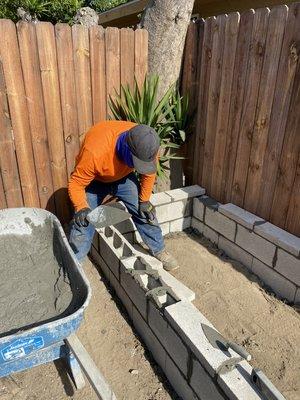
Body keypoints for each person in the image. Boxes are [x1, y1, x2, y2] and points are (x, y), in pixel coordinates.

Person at [68, 120, 178, 271]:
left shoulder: (148, 145)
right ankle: (75, 263)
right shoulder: (95, 152)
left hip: (124, 178)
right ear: (126, 147)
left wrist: (144, 200)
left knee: (144, 211)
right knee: (84, 221)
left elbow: (149, 174)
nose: (137, 166)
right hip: (95, 180)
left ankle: (158, 249)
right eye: (136, 162)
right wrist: (81, 207)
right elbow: (76, 183)